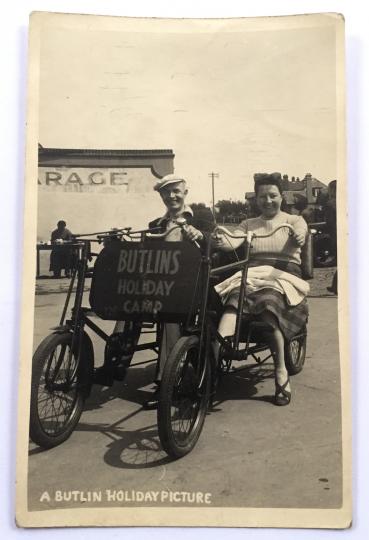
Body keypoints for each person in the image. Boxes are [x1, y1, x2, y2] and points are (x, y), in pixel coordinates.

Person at [107, 174, 215, 408]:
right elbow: (147, 256)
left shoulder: (202, 217)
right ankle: (113, 366)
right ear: (161, 196)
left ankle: (166, 382)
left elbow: (215, 243)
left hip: (190, 287)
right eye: (166, 192)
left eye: (176, 191)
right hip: (161, 287)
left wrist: (201, 236)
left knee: (170, 316)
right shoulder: (156, 224)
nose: (171, 196)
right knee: (127, 305)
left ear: (185, 192)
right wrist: (122, 239)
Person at [212, 172, 309, 406]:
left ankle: (280, 371)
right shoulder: (248, 224)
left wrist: (298, 236)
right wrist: (221, 241)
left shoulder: (293, 220)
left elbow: (302, 236)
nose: (268, 201)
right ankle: (213, 364)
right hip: (253, 272)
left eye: (272, 196)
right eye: (262, 197)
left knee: (268, 306)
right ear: (256, 199)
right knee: (232, 301)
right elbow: (233, 241)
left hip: (283, 273)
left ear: (281, 197)